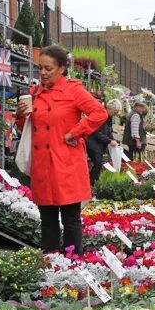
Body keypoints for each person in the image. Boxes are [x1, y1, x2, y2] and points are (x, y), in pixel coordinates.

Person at [15, 45, 107, 255]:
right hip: (43, 164)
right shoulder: (35, 92)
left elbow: (99, 113)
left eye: (48, 68)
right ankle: (51, 263)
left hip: (66, 163)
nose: (43, 73)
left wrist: (75, 132)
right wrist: (20, 116)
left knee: (71, 219)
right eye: (40, 68)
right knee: (47, 220)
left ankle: (73, 263)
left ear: (62, 69)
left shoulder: (73, 90)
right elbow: (27, 129)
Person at [86, 98, 122, 185]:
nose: (115, 114)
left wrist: (113, 140)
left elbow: (109, 131)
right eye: (115, 112)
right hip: (93, 144)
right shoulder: (101, 115)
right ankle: (90, 184)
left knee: (98, 164)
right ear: (110, 108)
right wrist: (109, 141)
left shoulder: (109, 118)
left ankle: (93, 183)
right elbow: (96, 133)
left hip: (99, 145)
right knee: (98, 164)